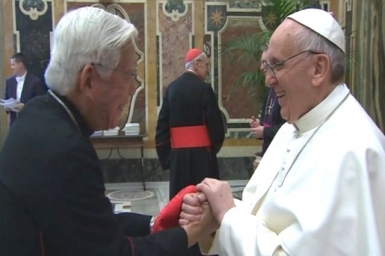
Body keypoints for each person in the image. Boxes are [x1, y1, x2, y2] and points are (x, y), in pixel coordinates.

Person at [0, 7, 218, 256]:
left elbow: (89, 226)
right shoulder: (66, 150)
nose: (133, 89)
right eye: (130, 75)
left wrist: (157, 221)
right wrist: (196, 231)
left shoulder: (40, 113)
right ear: (90, 79)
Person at [180, 8, 385, 255]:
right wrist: (216, 216)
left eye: (277, 65)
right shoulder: (291, 128)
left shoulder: (356, 151)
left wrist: (229, 215)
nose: (268, 79)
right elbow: (262, 215)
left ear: (318, 68)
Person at [155, 48, 225, 200]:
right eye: (206, 65)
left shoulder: (171, 89)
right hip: (203, 159)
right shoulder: (204, 89)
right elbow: (216, 126)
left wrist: (169, 159)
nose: (207, 71)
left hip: (178, 160)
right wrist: (212, 151)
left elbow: (161, 128)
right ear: (197, 64)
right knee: (203, 203)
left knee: (180, 203)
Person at [250, 50, 285, 157]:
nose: (261, 67)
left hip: (280, 150)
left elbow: (290, 127)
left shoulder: (285, 89)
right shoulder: (270, 89)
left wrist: (265, 131)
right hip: (268, 149)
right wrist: (259, 126)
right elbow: (268, 122)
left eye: (264, 62)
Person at [3, 52, 47, 128]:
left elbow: (41, 105)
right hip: (14, 125)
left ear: (20, 64)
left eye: (13, 65)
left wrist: (25, 107)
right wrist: (7, 107)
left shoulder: (35, 82)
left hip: (30, 125)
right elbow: (6, 98)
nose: (11, 67)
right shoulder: (9, 81)